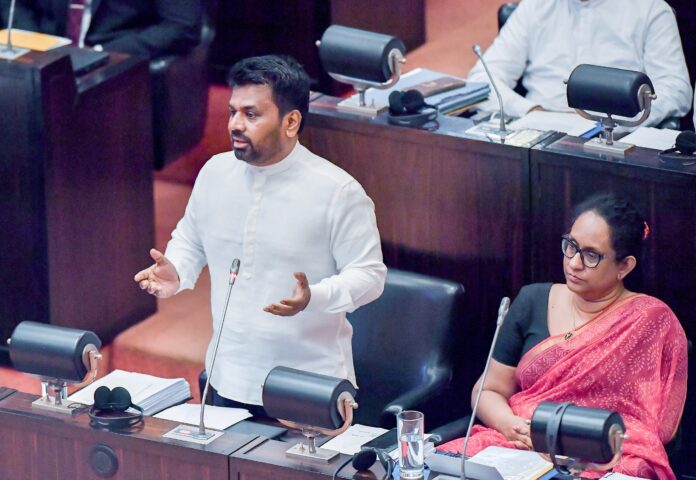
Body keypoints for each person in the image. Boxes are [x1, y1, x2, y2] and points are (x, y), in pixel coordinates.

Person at [134, 55, 387, 416]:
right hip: (226, 376)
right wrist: (176, 270)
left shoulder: (338, 192)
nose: (235, 125)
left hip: (307, 384)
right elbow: (191, 238)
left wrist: (314, 297)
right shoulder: (215, 172)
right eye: (232, 112)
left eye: (251, 115)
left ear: (291, 122)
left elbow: (370, 276)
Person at [439, 193, 687, 480]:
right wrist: (510, 425)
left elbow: (659, 427)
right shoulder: (532, 300)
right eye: (571, 246)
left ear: (625, 266)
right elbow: (488, 391)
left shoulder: (651, 320)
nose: (574, 263)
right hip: (519, 445)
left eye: (591, 255)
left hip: (605, 460)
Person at [468, 0, 693, 127]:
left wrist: (620, 123)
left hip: (618, 138)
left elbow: (676, 89)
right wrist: (532, 112)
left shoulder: (650, 8)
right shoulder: (535, 6)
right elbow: (481, 80)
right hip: (537, 132)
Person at [5, 0, 201, 59]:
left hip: (113, 59)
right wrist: (32, 43)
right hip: (47, 55)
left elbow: (182, 25)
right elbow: (15, 4)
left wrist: (100, 54)